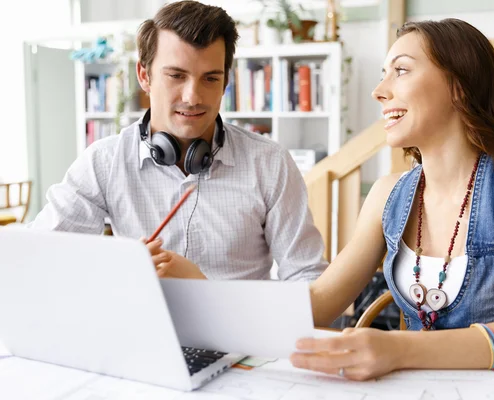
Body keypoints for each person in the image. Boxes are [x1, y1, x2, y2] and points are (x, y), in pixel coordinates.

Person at [290, 18, 494, 380]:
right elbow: (322, 300)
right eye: (384, 74)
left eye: (401, 70)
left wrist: (399, 349)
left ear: (459, 86)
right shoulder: (388, 194)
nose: (380, 91)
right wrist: (214, 306)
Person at [27, 1, 327, 282]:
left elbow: (307, 279)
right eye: (176, 76)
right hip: (139, 334)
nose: (193, 97)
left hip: (239, 339)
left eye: (210, 78)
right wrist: (116, 271)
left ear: (226, 81)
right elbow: (39, 258)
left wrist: (203, 288)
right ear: (144, 75)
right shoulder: (104, 161)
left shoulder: (270, 163)